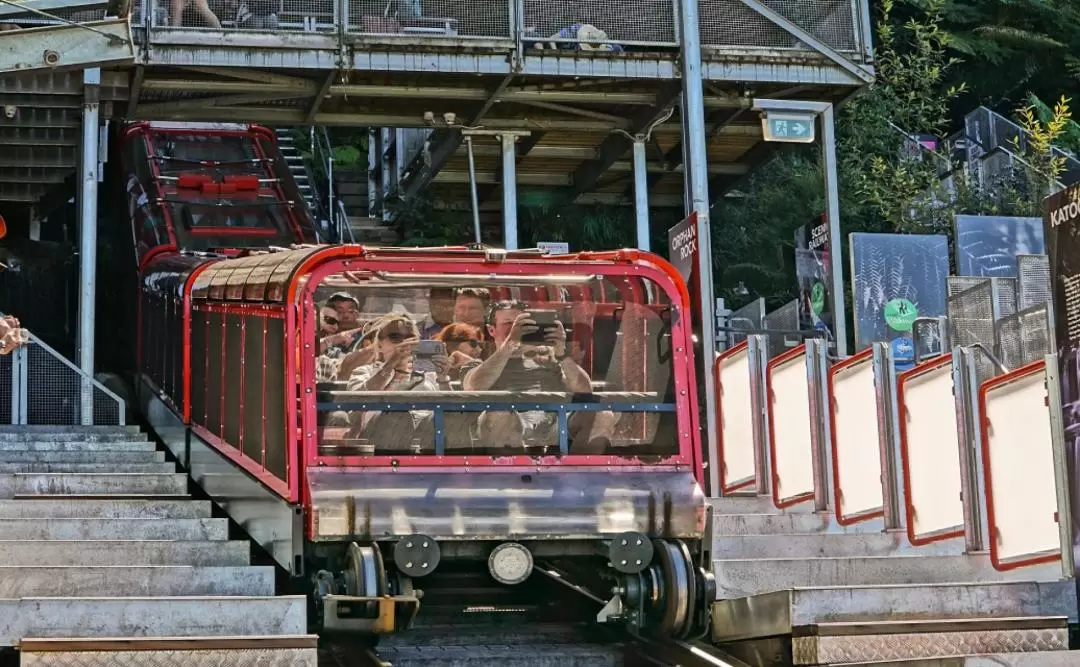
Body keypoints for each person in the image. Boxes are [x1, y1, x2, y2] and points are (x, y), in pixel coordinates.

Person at [461, 301, 616, 452]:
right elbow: (473, 387)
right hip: (507, 425)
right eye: (509, 323)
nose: (517, 328)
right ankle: (515, 473)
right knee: (499, 414)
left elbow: (584, 390)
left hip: (555, 425)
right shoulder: (477, 365)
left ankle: (577, 473)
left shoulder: (549, 361)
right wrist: (509, 345)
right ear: (491, 330)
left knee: (602, 414)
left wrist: (561, 353)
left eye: (522, 323)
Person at [345, 315, 452, 450]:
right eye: (395, 337)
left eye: (410, 338)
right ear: (379, 344)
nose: (404, 342)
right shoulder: (365, 372)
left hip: (427, 434)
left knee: (443, 419)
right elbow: (356, 401)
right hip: (380, 432)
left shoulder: (429, 374)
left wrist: (443, 378)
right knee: (396, 413)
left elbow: (452, 411)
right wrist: (390, 365)